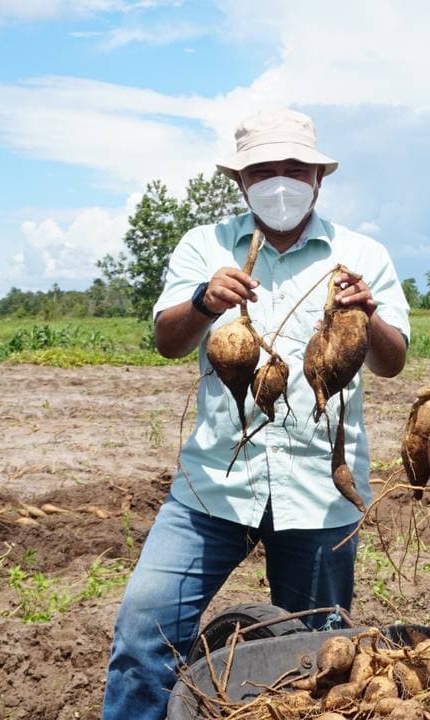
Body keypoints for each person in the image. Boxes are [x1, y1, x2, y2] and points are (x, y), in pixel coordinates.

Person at [102, 109, 410, 718]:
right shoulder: (205, 246)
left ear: (318, 177)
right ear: (240, 181)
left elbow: (393, 360)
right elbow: (168, 341)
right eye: (263, 170)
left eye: (294, 168)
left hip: (321, 491)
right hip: (213, 484)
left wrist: (366, 314)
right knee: (144, 634)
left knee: (318, 660)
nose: (280, 181)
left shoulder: (360, 253)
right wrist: (201, 299)